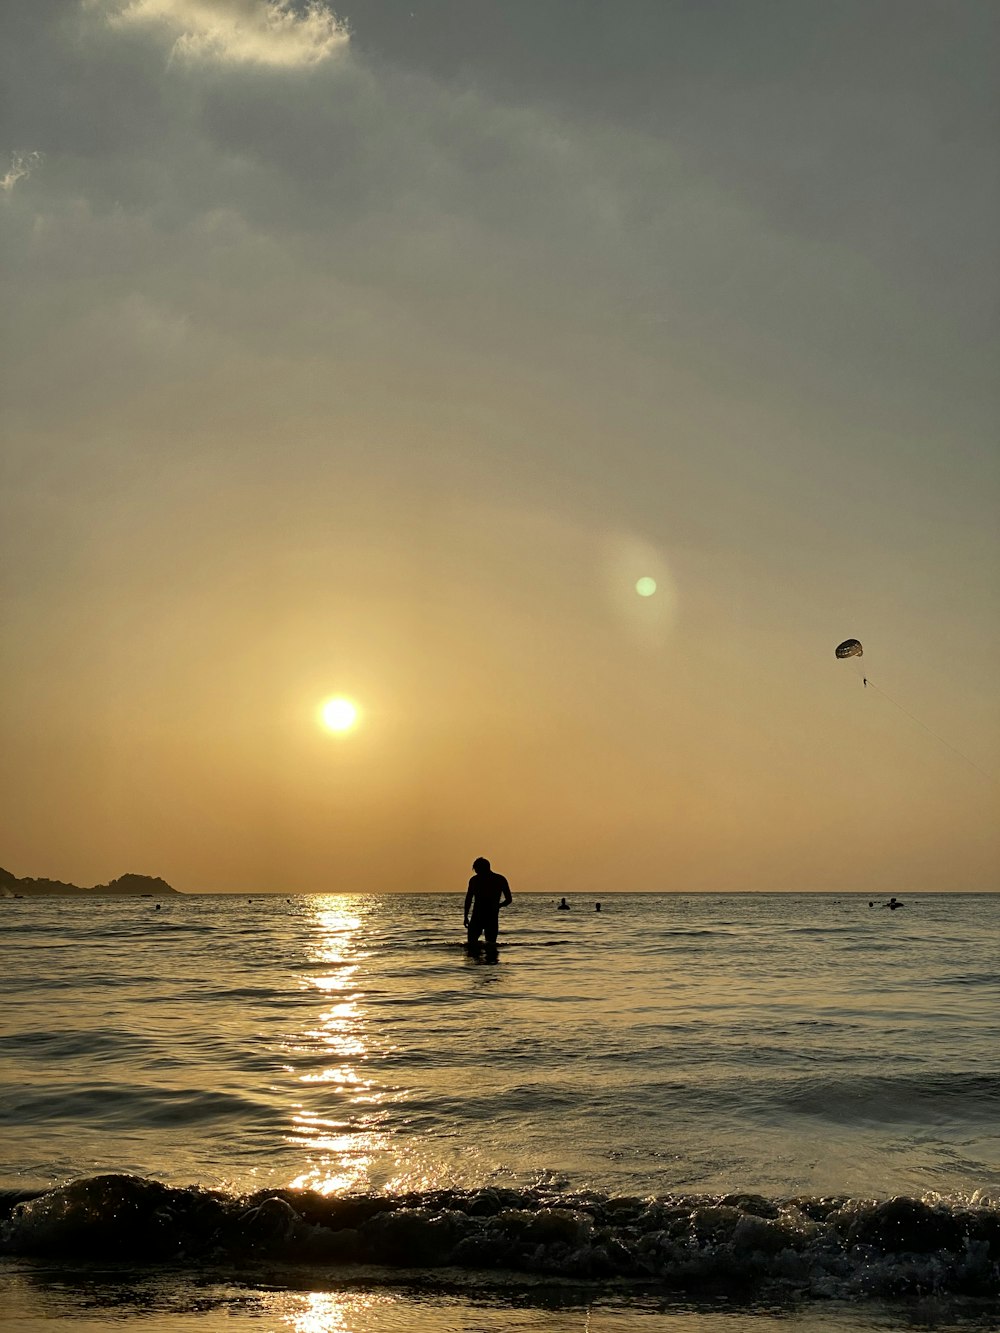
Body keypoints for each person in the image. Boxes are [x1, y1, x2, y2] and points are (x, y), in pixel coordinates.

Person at [464, 857, 512, 949]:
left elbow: (509, 899)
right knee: (476, 946)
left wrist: (498, 906)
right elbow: (468, 899)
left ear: (483, 868)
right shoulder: (475, 880)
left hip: (488, 916)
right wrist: (465, 916)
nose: (476, 871)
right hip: (480, 916)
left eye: (477, 869)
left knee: (486, 946)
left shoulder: (498, 879)